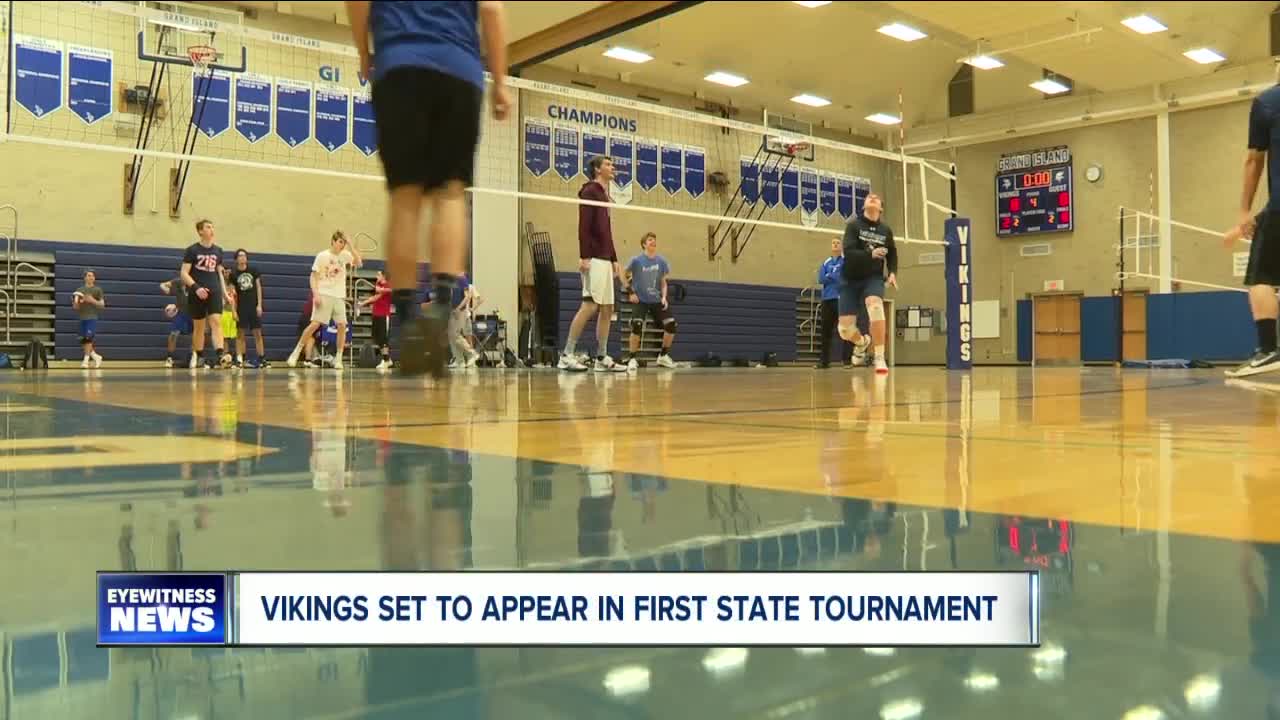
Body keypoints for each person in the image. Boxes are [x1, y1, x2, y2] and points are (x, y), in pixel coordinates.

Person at [344, 0, 510, 378]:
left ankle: (405, 321)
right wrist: (500, 82)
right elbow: (492, 10)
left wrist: (364, 52)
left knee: (405, 199)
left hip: (398, 64)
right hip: (458, 68)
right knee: (450, 193)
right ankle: (440, 306)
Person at [1227, 64, 1280, 378]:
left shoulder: (1267, 102)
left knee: (1261, 279)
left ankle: (1268, 349)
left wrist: (1244, 211)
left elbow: (1254, 160)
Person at [560, 155, 623, 372]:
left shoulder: (605, 195)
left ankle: (601, 357)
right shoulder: (589, 191)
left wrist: (614, 258)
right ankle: (566, 354)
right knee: (589, 305)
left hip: (605, 259)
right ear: (597, 169)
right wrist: (584, 256)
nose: (612, 167)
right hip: (593, 258)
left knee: (607, 308)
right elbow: (583, 227)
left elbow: (607, 231)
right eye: (607, 164)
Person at [838, 192, 897, 375]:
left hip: (873, 277)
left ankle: (879, 357)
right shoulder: (854, 226)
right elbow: (848, 252)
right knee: (845, 330)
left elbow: (892, 253)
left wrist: (893, 272)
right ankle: (862, 342)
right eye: (869, 197)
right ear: (864, 206)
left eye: (876, 198)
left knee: (875, 306)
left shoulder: (885, 230)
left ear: (881, 208)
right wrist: (869, 255)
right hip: (850, 278)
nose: (872, 197)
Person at [288, 231, 362, 370]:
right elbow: (313, 277)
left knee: (342, 325)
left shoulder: (345, 255)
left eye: (344, 242)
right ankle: (296, 352)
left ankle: (338, 358)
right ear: (333, 241)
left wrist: (351, 245)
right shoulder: (322, 256)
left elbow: (359, 262)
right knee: (315, 324)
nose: (342, 245)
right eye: (340, 241)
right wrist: (316, 294)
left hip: (339, 296)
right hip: (324, 294)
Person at [180, 219, 233, 370]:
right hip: (197, 292)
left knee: (216, 321)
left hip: (214, 290)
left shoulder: (218, 251)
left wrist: (225, 294)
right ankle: (199, 355)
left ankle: (220, 355)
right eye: (208, 227)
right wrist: (196, 288)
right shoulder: (192, 250)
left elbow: (220, 274)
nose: (212, 229)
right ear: (200, 231)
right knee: (199, 326)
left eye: (212, 227)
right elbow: (183, 273)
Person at [622, 232, 677, 370]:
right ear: (644, 244)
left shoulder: (661, 261)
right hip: (640, 300)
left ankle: (663, 356)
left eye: (654, 240)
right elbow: (623, 275)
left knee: (671, 325)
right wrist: (630, 292)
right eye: (650, 240)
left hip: (656, 299)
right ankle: (632, 358)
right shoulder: (636, 261)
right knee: (637, 325)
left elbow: (663, 282)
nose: (653, 242)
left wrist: (664, 297)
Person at [817, 237, 855, 369]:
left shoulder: (845, 262)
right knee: (825, 331)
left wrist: (830, 276)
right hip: (827, 299)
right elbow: (821, 279)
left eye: (837, 243)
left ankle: (847, 360)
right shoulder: (826, 262)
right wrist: (831, 276)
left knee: (846, 329)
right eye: (833, 243)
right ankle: (824, 362)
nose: (835, 245)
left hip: (841, 299)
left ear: (841, 246)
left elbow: (841, 277)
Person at [231, 249, 268, 368]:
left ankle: (262, 358)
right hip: (241, 307)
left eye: (244, 256)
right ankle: (240, 358)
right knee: (240, 334)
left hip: (253, 306)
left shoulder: (253, 271)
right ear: (236, 259)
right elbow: (232, 294)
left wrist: (259, 305)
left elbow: (258, 288)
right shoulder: (233, 274)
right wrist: (233, 310)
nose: (242, 258)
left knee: (257, 333)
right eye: (240, 256)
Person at [359, 269, 394, 370]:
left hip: (383, 315)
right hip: (376, 315)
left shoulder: (388, 285)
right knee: (376, 337)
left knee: (383, 339)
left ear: (384, 276)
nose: (376, 276)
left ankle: (386, 360)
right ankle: (387, 359)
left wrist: (382, 290)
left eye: (378, 274)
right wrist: (363, 303)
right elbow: (375, 297)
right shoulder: (378, 284)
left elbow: (388, 290)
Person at [160, 272, 194, 368]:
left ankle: (193, 357)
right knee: (173, 335)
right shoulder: (177, 282)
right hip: (181, 314)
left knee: (195, 337)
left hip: (194, 314)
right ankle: (169, 357)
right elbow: (163, 285)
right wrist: (165, 288)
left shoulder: (195, 283)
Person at [72, 270, 105, 369]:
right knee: (83, 340)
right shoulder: (79, 290)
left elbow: (102, 305)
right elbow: (75, 307)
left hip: (92, 317)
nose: (91, 277)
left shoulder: (97, 290)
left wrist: (92, 300)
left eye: (93, 276)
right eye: (89, 276)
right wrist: (77, 302)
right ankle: (96, 356)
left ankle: (86, 360)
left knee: (88, 339)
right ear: (85, 278)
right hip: (82, 318)